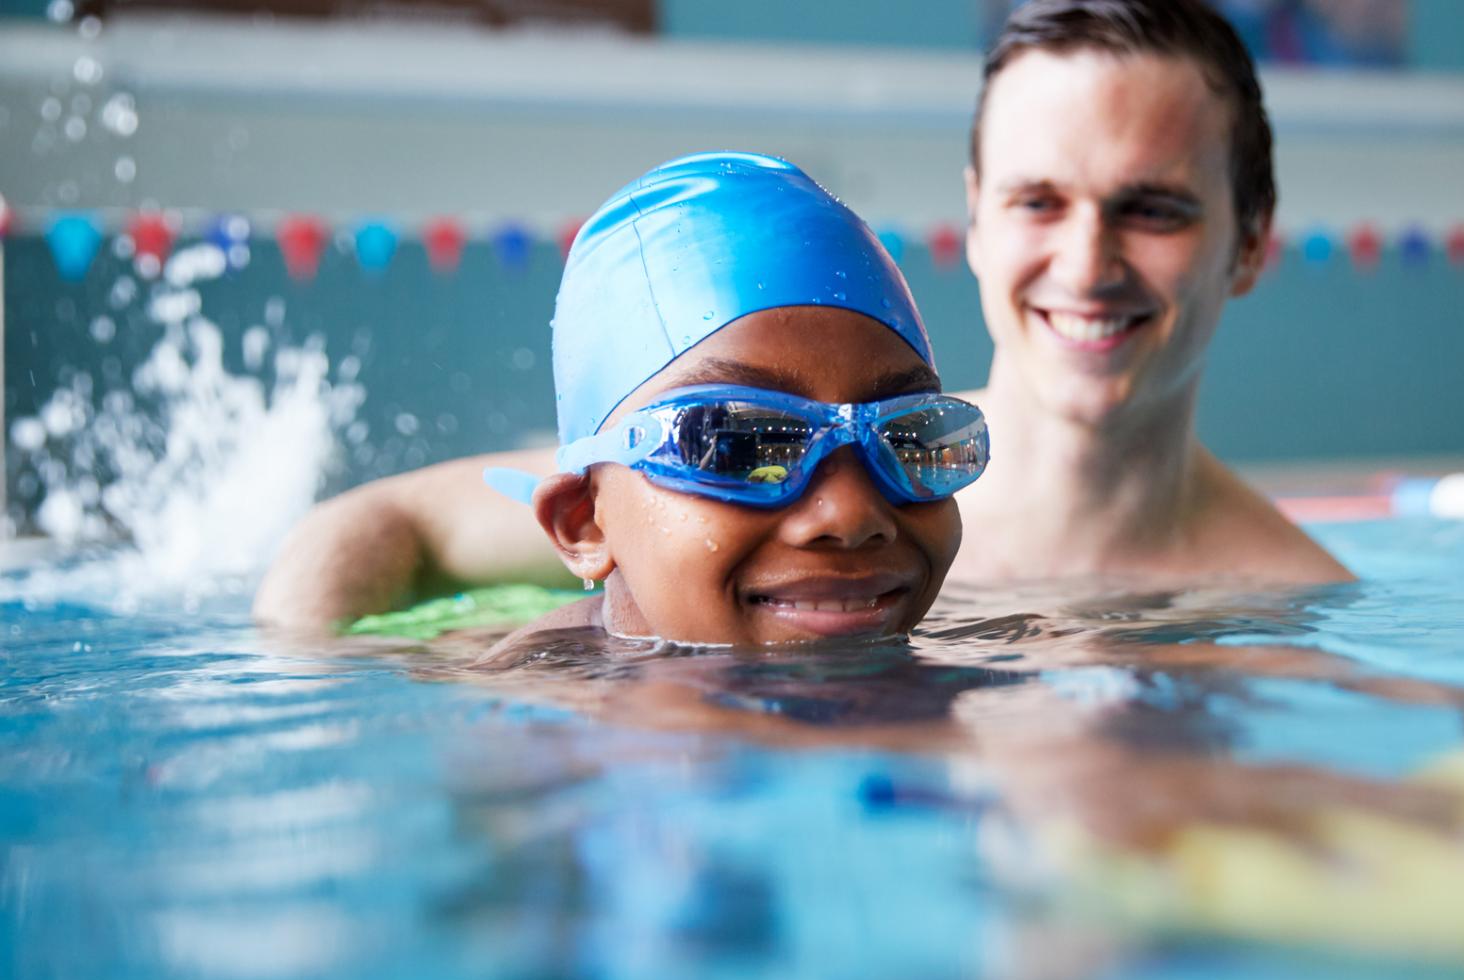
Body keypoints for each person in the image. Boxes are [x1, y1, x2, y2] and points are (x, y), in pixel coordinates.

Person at [253, 0, 1346, 632]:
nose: (1085, 259)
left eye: (1151, 210)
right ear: (973, 218)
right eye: (1036, 201)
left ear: (1250, 242)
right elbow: (377, 524)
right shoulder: (713, 457)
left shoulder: (1281, 608)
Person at [440, 152, 989, 649]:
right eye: (738, 445)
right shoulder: (534, 737)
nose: (852, 516)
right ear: (583, 522)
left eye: (910, 439)